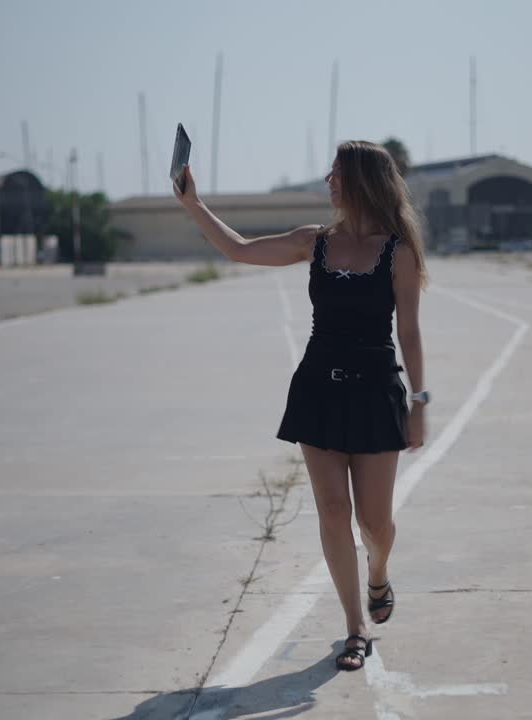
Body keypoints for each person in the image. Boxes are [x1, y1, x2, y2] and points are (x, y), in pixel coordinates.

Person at [174, 140, 429, 673]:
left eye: (337, 173)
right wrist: (194, 204)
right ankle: (355, 628)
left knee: (375, 524)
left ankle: (378, 572)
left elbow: (408, 329)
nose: (329, 181)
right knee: (333, 511)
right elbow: (240, 249)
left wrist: (419, 401)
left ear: (360, 181)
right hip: (318, 388)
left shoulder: (397, 250)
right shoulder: (313, 242)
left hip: (377, 391)